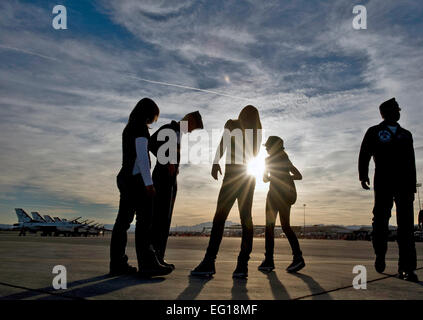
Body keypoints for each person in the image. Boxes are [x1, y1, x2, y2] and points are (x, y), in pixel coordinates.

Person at [191, 105, 262, 279]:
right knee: (222, 219)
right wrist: (216, 161)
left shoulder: (254, 131)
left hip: (243, 177)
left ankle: (241, 264)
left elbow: (252, 153)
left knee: (241, 219)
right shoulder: (232, 124)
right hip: (237, 177)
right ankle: (212, 261)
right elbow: (223, 142)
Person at [109, 98, 173, 277]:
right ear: (149, 113)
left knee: (122, 222)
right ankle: (147, 263)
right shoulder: (140, 129)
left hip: (125, 178)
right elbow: (142, 158)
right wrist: (149, 183)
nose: (154, 120)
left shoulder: (129, 128)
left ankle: (117, 263)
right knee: (144, 222)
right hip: (136, 180)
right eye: (154, 116)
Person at [359, 97, 418, 282]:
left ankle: (407, 268)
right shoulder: (374, 132)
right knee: (381, 221)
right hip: (384, 181)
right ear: (386, 113)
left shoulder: (406, 134)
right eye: (396, 110)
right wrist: (363, 175)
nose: (399, 112)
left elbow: (411, 161)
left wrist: (412, 185)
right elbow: (364, 154)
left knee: (406, 226)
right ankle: (380, 253)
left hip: (405, 184)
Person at [149, 111, 204, 269]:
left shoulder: (179, 134)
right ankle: (153, 258)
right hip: (161, 178)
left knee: (166, 219)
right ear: (188, 120)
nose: (192, 131)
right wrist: (165, 161)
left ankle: (160, 256)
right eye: (193, 128)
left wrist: (175, 167)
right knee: (158, 218)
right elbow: (151, 143)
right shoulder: (169, 129)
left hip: (171, 180)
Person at [258, 136, 305, 273]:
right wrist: (286, 177)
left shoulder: (268, 160)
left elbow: (265, 179)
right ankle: (298, 257)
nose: (266, 149)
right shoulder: (285, 158)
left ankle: (269, 260)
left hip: (274, 195)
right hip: (286, 195)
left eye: (268, 146)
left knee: (269, 228)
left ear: (274, 147)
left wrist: (273, 177)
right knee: (286, 226)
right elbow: (299, 175)